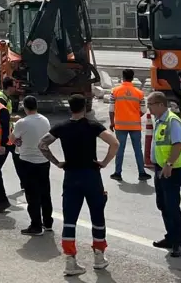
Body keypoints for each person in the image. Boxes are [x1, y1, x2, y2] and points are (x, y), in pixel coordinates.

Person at [38, 94, 118, 276]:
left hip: (71, 176)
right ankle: (99, 256)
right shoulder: (93, 126)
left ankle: (70, 261)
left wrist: (57, 162)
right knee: (97, 216)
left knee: (70, 219)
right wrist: (104, 162)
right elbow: (114, 142)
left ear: (69, 108)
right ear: (85, 107)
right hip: (91, 175)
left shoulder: (61, 127)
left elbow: (42, 144)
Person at [147, 91, 181, 258]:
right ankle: (170, 237)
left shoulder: (172, 120)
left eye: (150, 104)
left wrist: (169, 164)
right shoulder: (160, 120)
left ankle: (177, 243)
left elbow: (178, 143)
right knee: (163, 204)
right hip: (161, 168)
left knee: (172, 206)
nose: (148, 108)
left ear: (160, 104)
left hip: (172, 169)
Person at [12, 95, 53, 236]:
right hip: (43, 160)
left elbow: (12, 139)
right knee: (45, 193)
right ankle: (48, 222)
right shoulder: (45, 120)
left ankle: (36, 225)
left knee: (32, 195)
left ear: (24, 107)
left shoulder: (22, 123)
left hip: (27, 161)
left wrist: (16, 127)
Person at [108, 69, 150, 182]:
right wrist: (135, 116)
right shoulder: (139, 93)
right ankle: (142, 173)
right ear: (132, 77)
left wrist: (112, 122)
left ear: (123, 77)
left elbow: (111, 109)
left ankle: (117, 173)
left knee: (119, 150)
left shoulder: (115, 91)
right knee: (138, 150)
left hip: (120, 126)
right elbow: (144, 110)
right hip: (135, 126)